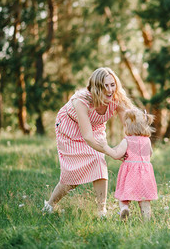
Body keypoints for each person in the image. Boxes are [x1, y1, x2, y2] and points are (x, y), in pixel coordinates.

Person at [42, 67, 133, 218]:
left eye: (112, 84)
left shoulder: (116, 98)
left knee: (98, 160)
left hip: (94, 128)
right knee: (72, 177)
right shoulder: (82, 101)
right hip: (69, 128)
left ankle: (101, 210)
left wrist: (134, 143)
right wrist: (113, 153)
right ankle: (50, 205)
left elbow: (129, 124)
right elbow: (88, 137)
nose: (110, 89)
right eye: (105, 86)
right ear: (96, 87)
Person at [114, 108, 158, 220]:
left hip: (130, 173)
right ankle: (146, 221)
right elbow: (150, 153)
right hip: (145, 173)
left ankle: (124, 208)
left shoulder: (127, 140)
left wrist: (115, 153)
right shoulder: (147, 140)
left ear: (128, 126)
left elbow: (118, 154)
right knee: (144, 199)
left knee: (124, 195)